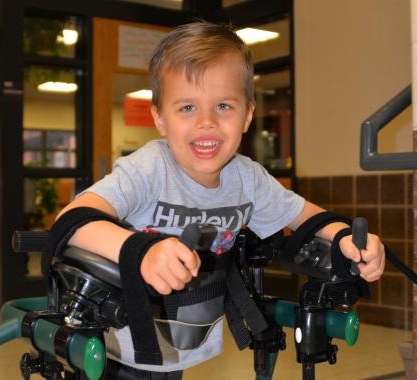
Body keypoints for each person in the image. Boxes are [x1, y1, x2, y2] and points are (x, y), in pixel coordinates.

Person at [54, 21, 385, 379]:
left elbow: (308, 219)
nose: (207, 122)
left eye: (224, 105)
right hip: (113, 347)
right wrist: (140, 250)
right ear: (159, 118)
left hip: (175, 343)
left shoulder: (247, 178)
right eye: (187, 108)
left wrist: (346, 239)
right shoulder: (149, 168)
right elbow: (71, 221)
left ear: (248, 114)